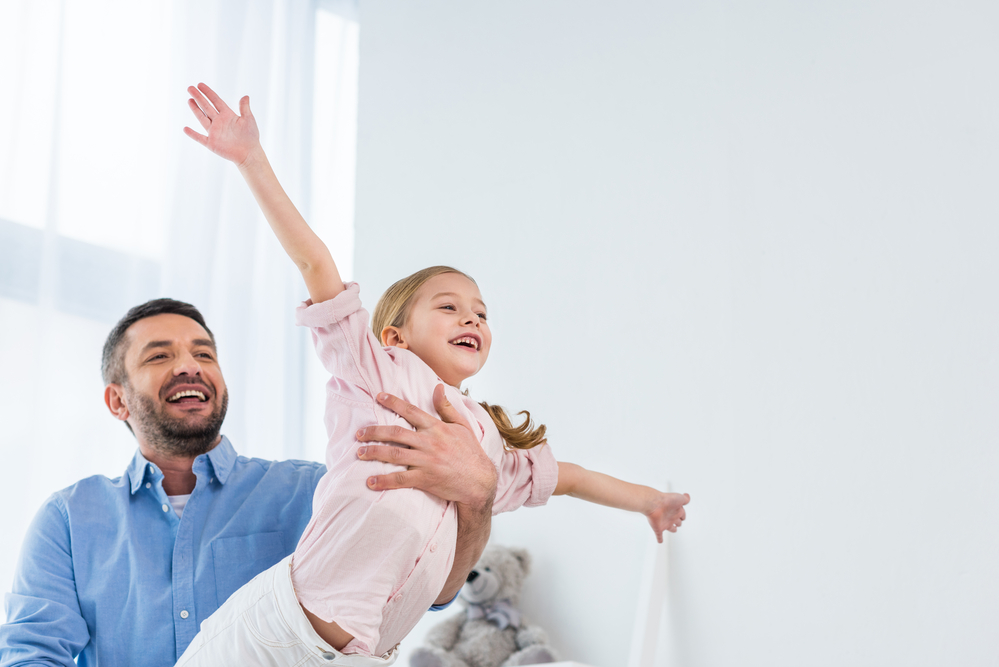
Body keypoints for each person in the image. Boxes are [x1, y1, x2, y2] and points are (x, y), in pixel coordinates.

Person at [179, 83, 691, 664]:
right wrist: (252, 159)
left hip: (360, 655)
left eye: (480, 312)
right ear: (394, 333)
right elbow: (314, 262)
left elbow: (567, 477)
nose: (470, 317)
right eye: (448, 306)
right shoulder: (378, 370)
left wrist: (649, 500)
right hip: (273, 635)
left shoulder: (487, 444)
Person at [0, 298, 497, 667]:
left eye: (204, 353)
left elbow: (431, 589)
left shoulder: (309, 491)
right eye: (158, 357)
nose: (190, 365)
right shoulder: (68, 519)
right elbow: (32, 655)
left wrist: (478, 497)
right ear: (117, 401)